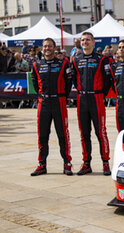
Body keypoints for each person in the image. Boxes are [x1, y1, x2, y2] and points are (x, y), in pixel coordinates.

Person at [71, 32, 112, 176]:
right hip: (82, 99)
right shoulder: (75, 59)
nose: (85, 42)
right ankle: (86, 163)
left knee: (100, 132)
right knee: (84, 133)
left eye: (88, 40)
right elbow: (75, 79)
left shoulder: (102, 59)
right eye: (82, 40)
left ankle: (105, 163)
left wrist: (100, 94)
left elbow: (108, 80)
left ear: (93, 42)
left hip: (97, 98)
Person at [30, 37, 73, 176]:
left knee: (63, 134)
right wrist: (43, 95)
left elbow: (68, 83)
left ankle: (67, 163)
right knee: (42, 135)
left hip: (59, 102)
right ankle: (42, 164)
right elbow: (35, 84)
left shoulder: (63, 64)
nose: (47, 48)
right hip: (44, 103)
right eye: (45, 46)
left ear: (54, 48)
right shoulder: (36, 65)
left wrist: (61, 97)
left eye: (49, 46)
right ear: (42, 49)